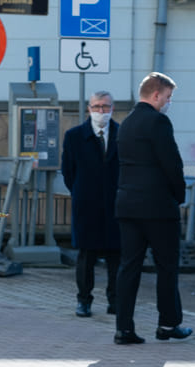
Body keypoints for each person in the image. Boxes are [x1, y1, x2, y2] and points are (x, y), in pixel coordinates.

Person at [114, 72, 191, 345]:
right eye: (168, 97)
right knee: (167, 266)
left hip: (127, 205)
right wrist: (179, 195)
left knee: (129, 267)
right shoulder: (158, 122)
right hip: (157, 207)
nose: (169, 102)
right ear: (156, 95)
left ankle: (124, 328)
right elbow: (172, 163)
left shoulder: (126, 123)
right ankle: (168, 324)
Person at [61, 90, 121, 318]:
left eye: (105, 107)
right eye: (96, 107)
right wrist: (80, 192)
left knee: (116, 256)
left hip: (115, 205)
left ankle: (115, 301)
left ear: (112, 108)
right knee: (86, 257)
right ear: (89, 109)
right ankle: (84, 301)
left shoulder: (121, 134)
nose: (101, 111)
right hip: (87, 205)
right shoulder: (75, 136)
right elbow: (68, 172)